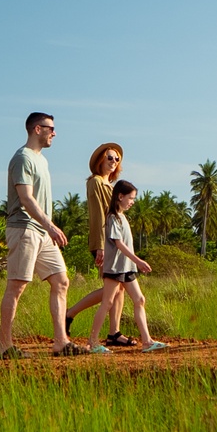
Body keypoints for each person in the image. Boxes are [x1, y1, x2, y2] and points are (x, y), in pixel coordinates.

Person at [0, 112, 86, 359]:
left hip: (42, 231)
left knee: (61, 281)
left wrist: (48, 228)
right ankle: (4, 345)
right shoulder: (22, 158)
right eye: (50, 128)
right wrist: (51, 226)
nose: (54, 133)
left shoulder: (42, 161)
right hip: (24, 228)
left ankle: (60, 342)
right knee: (17, 286)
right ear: (37, 129)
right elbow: (26, 198)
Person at [86, 180, 166, 353]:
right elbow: (119, 244)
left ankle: (147, 341)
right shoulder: (112, 217)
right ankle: (92, 342)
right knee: (107, 303)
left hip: (127, 268)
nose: (132, 202)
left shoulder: (122, 217)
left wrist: (134, 263)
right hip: (115, 268)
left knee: (139, 300)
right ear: (120, 196)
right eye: (131, 198)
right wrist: (138, 260)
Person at [63, 142, 131, 343]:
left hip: (116, 242)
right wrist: (99, 245)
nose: (113, 161)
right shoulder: (95, 182)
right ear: (100, 160)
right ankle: (70, 313)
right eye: (109, 157)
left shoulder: (111, 186)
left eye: (117, 159)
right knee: (114, 287)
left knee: (120, 287)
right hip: (107, 242)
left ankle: (114, 333)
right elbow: (97, 216)